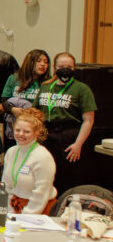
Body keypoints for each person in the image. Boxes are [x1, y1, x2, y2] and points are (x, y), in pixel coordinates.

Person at [33, 52, 96, 193]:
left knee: (67, 177)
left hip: (69, 137)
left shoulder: (82, 89)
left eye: (69, 66)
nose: (65, 69)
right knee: (45, 174)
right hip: (46, 135)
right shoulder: (45, 87)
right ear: (54, 67)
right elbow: (35, 113)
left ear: (74, 68)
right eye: (61, 66)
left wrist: (78, 144)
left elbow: (88, 120)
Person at [2, 108, 57, 215]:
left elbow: (41, 193)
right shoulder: (11, 152)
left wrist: (25, 217)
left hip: (39, 210)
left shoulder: (42, 156)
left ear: (37, 133)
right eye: (17, 130)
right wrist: (10, 211)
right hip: (14, 208)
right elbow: (6, 186)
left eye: (26, 132)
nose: (21, 134)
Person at [1, 50, 50, 148]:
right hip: (14, 127)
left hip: (36, 128)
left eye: (46, 62)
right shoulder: (14, 78)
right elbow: (4, 101)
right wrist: (13, 110)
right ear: (30, 62)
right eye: (39, 61)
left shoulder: (49, 82)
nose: (43, 64)